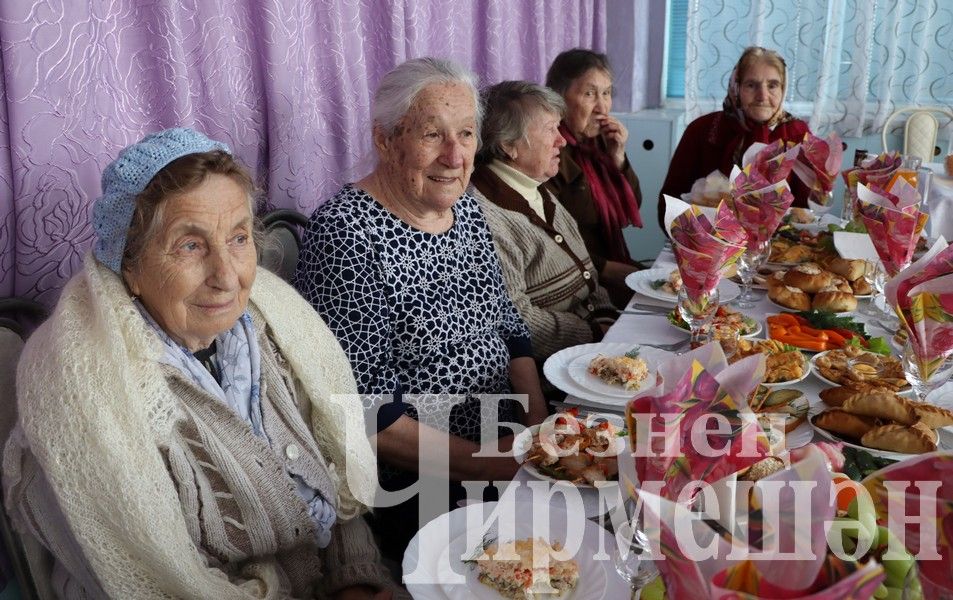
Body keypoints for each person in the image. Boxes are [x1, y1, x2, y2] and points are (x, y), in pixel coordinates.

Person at [3, 128, 402, 600]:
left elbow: (336, 473)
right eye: (189, 245)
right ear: (128, 264)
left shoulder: (272, 323)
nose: (227, 276)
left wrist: (351, 578)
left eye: (238, 237)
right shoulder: (83, 387)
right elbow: (156, 584)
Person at [294, 58, 548, 561]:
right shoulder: (346, 235)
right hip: (422, 480)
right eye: (432, 135)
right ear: (386, 140)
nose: (454, 156)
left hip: (504, 442)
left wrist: (536, 422)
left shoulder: (465, 207)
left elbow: (507, 321)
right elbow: (370, 415)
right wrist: (494, 464)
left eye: (467, 134)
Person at [470, 80, 617, 363]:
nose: (562, 140)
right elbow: (515, 318)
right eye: (551, 129)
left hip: (593, 345)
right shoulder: (485, 215)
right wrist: (592, 331)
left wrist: (608, 317)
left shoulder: (537, 189)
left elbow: (588, 277)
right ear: (508, 145)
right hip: (556, 368)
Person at [658, 46, 812, 231]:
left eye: (772, 85)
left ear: (783, 88)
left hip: (780, 250)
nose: (762, 96)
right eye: (751, 85)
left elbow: (806, 212)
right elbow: (668, 205)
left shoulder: (797, 134)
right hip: (709, 245)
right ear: (736, 87)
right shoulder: (702, 130)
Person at [544, 48, 644, 308]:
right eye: (589, 94)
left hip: (610, 265)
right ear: (559, 98)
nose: (602, 107)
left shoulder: (601, 143)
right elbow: (548, 237)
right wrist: (608, 269)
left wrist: (618, 157)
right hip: (578, 279)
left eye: (607, 93)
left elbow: (633, 204)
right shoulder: (550, 152)